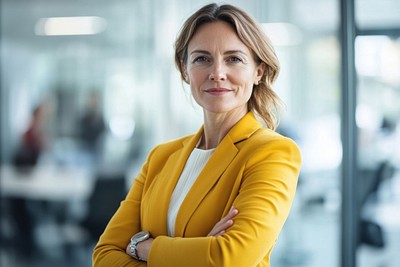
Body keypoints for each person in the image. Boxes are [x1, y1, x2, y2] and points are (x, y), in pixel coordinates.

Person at [93, 3, 301, 267]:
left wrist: (142, 248)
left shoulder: (272, 153)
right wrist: (197, 253)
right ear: (185, 70)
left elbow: (228, 257)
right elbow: (104, 255)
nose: (217, 73)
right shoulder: (161, 157)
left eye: (234, 59)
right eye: (202, 58)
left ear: (258, 71)